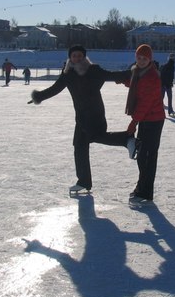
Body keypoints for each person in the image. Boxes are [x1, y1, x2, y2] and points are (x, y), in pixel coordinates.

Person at [30, 45, 132, 194]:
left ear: (84, 57)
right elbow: (55, 88)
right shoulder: (68, 74)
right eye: (74, 56)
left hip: (95, 114)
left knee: (93, 138)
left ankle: (126, 139)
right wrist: (39, 96)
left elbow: (113, 75)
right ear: (70, 58)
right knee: (80, 145)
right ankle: (84, 180)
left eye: (79, 55)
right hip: (82, 117)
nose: (76, 58)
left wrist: (133, 71)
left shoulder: (94, 70)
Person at [124, 44, 166, 203]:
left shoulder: (151, 76)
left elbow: (145, 103)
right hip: (147, 119)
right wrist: (123, 81)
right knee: (143, 156)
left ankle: (144, 192)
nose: (141, 61)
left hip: (153, 120)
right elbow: (135, 84)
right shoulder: (138, 72)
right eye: (139, 57)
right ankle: (143, 189)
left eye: (145, 58)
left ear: (150, 59)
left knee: (147, 156)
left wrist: (133, 122)